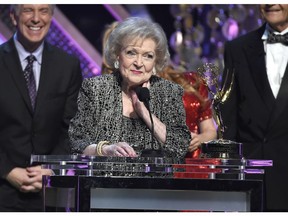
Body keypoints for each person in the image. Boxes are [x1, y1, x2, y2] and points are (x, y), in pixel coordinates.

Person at [69, 17, 191, 160]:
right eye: (131, 53)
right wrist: (106, 149)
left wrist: (145, 113)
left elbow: (181, 147)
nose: (138, 63)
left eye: (148, 56)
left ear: (155, 63)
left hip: (154, 181)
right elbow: (77, 144)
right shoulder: (95, 89)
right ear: (117, 55)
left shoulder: (169, 92)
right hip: (105, 180)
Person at [0, 4, 83, 211]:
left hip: (49, 193)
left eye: (44, 11)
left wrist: (51, 168)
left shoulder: (68, 66)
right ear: (13, 16)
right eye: (28, 10)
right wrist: (7, 170)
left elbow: (71, 128)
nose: (36, 19)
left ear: (51, 17)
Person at [220, 4, 288, 211]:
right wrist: (230, 172)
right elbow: (228, 116)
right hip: (253, 170)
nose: (270, 3)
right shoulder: (237, 48)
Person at [158, 65, 217, 159]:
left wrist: (198, 139)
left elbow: (210, 131)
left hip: (193, 162)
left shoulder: (193, 81)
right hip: (161, 161)